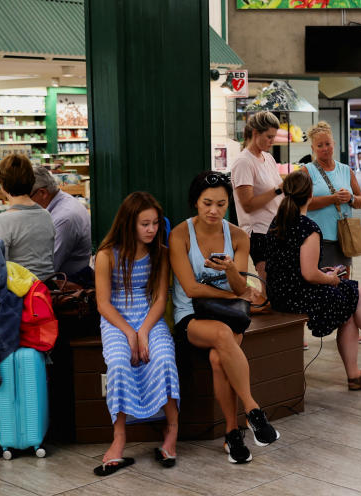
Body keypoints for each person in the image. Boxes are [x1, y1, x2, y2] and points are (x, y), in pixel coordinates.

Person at [266, 170, 361, 390]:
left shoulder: (277, 222)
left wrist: (323, 273)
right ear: (309, 195)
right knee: (351, 294)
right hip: (298, 296)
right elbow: (309, 274)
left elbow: (292, 267)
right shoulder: (308, 228)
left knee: (351, 294)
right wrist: (330, 279)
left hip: (279, 293)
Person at [169, 171, 280, 464]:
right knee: (220, 336)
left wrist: (231, 271)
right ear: (195, 202)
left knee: (220, 359)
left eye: (220, 204)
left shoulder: (239, 236)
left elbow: (242, 285)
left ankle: (232, 436)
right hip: (191, 315)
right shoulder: (180, 234)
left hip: (230, 316)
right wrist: (236, 295)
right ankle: (253, 410)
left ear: (229, 203)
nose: (213, 211)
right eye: (207, 203)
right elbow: (191, 289)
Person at [92, 192, 180, 476]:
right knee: (118, 363)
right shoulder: (106, 255)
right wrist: (130, 333)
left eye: (155, 223)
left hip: (149, 318)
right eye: (145, 224)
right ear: (129, 223)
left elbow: (159, 300)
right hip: (116, 321)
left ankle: (172, 432)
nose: (152, 229)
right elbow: (103, 304)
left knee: (164, 358)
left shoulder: (161, 253)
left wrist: (143, 332)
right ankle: (119, 438)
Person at [230, 111, 283, 282]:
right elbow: (247, 205)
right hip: (259, 232)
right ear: (255, 133)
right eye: (268, 136)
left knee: (277, 284)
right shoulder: (244, 162)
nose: (272, 141)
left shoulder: (268, 158)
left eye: (274, 137)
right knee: (269, 283)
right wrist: (279, 190)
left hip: (275, 229)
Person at [305, 122, 361, 269]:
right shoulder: (306, 171)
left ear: (334, 143)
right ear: (313, 148)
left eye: (328, 144)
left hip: (343, 237)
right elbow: (304, 204)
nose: (325, 149)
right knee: (322, 281)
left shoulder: (346, 170)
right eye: (319, 146)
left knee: (343, 280)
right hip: (318, 238)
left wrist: (350, 198)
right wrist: (332, 199)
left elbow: (360, 201)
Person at [0, 154, 55, 280]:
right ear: (31, 180)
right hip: (46, 292)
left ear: (2, 185)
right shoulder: (46, 215)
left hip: (20, 294)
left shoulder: (3, 221)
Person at [30, 165, 92, 280]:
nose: (25, 201)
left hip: (69, 285)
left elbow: (47, 269)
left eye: (27, 197)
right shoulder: (62, 204)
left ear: (43, 193)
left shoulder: (64, 219)